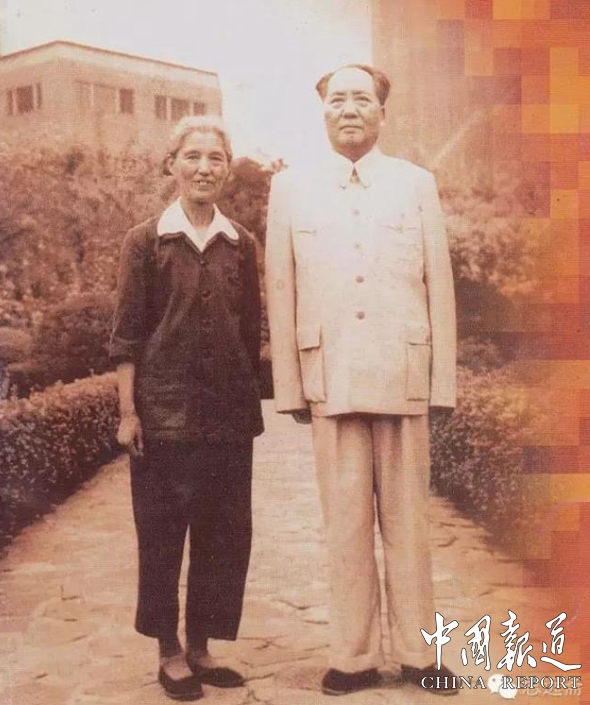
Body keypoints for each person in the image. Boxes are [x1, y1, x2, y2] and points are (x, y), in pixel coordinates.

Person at [265, 64, 457, 696]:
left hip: (402, 373)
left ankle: (420, 655)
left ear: (381, 113)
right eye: (338, 100)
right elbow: (281, 286)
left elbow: (439, 285)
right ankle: (352, 657)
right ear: (323, 112)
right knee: (344, 527)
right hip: (333, 377)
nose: (349, 109)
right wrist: (290, 386)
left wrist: (441, 383)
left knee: (409, 526)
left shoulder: (415, 183)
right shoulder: (291, 188)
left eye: (362, 99)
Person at [110, 116, 264, 701]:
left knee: (224, 536)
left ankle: (201, 647)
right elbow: (127, 335)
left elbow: (249, 332)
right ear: (171, 164)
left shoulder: (241, 243)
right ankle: (168, 651)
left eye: (215, 158)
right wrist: (129, 413)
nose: (204, 168)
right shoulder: (145, 241)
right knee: (161, 535)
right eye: (192, 156)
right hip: (163, 418)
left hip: (227, 419)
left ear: (227, 168)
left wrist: (247, 402)